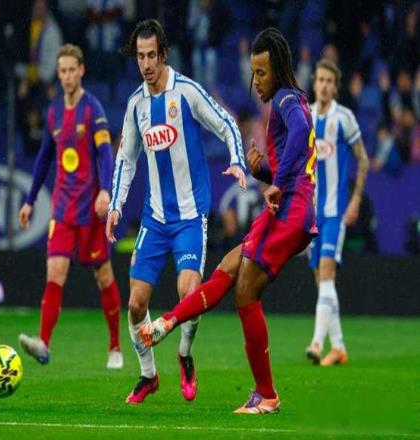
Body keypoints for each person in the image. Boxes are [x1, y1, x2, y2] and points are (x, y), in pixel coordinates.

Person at [138, 27, 318, 414]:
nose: (256, 82)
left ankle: (266, 395)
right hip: (290, 207)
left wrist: (276, 183)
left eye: (262, 73)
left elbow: (302, 133)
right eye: (254, 73)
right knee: (229, 267)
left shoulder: (287, 98)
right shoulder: (289, 101)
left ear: (279, 69)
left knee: (245, 291)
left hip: (291, 210)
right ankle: (167, 322)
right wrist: (263, 171)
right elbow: (294, 162)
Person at [106, 19, 246, 404]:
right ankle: (148, 376)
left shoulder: (186, 92)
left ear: (164, 54)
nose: (146, 64)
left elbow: (226, 123)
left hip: (189, 216)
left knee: (188, 292)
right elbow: (126, 159)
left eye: (152, 55)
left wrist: (237, 160)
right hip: (155, 218)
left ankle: (184, 354)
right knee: (135, 303)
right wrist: (116, 205)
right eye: (140, 56)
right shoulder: (136, 104)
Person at [18, 44, 123, 370]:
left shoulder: (93, 110)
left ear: (81, 71)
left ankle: (115, 346)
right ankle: (44, 344)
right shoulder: (53, 113)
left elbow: (105, 154)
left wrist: (105, 190)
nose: (66, 76)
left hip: (90, 209)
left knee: (103, 276)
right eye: (61, 71)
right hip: (62, 208)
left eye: (71, 70)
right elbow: (43, 159)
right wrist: (29, 200)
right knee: (55, 272)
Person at [305, 59, 369, 366]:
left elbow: (363, 159)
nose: (324, 85)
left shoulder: (344, 118)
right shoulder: (305, 117)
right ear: (314, 83)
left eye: (330, 81)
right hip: (310, 214)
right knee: (321, 281)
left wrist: (355, 200)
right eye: (320, 80)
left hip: (335, 211)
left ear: (336, 86)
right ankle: (339, 346)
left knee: (327, 273)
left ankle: (317, 343)